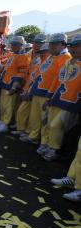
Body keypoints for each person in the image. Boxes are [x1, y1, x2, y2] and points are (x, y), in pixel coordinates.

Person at [25, 33, 71, 149]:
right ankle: (33, 136)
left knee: (45, 120)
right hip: (39, 90)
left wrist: (51, 96)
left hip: (48, 93)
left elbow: (60, 79)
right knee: (35, 117)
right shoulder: (51, 56)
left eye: (55, 44)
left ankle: (44, 143)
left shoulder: (66, 58)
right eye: (51, 44)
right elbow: (40, 73)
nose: (51, 46)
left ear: (63, 45)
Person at [41, 34, 81, 162]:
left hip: (72, 102)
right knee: (50, 123)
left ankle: (55, 149)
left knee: (56, 126)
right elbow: (57, 81)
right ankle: (50, 146)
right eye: (72, 46)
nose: (73, 49)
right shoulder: (68, 62)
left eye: (77, 46)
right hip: (58, 98)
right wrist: (49, 96)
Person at [0, 35, 31, 133]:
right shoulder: (13, 54)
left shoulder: (23, 56)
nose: (12, 46)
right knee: (3, 104)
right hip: (5, 83)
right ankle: (2, 120)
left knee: (8, 106)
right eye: (12, 44)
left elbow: (22, 72)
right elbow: (8, 67)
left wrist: (14, 87)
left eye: (15, 44)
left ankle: (5, 123)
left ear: (21, 45)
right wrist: (1, 67)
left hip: (11, 85)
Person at [13, 36, 49, 137]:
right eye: (36, 42)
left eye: (40, 43)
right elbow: (28, 72)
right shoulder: (30, 55)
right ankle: (21, 129)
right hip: (26, 86)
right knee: (22, 110)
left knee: (32, 114)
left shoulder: (46, 60)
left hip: (37, 90)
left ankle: (27, 132)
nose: (37, 45)